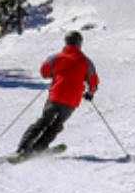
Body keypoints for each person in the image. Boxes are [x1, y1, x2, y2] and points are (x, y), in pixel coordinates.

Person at [16, 30, 99, 158]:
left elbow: (44, 72)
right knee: (57, 125)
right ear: (80, 44)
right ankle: (39, 148)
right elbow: (93, 82)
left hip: (55, 96)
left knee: (43, 122)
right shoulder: (86, 62)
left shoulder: (55, 58)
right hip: (71, 101)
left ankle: (24, 148)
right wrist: (90, 93)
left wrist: (54, 75)